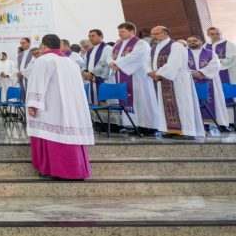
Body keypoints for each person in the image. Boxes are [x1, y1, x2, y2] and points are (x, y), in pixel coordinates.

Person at [25, 34, 94, 180]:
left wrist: (33, 104)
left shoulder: (43, 60)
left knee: (51, 134)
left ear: (43, 46)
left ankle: (56, 170)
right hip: (71, 107)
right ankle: (75, 171)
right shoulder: (71, 62)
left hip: (51, 106)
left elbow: (37, 82)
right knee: (69, 135)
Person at [148, 25, 202, 138]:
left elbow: (174, 63)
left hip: (178, 80)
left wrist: (158, 73)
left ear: (165, 33)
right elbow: (147, 62)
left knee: (182, 105)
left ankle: (187, 131)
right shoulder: (154, 48)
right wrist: (150, 72)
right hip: (163, 80)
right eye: (152, 34)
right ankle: (171, 130)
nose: (153, 36)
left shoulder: (176, 46)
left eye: (155, 34)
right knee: (165, 106)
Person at [108, 22, 162, 136]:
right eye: (119, 32)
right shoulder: (119, 44)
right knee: (130, 102)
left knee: (142, 100)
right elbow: (111, 56)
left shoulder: (141, 43)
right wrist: (112, 63)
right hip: (123, 75)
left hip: (138, 77)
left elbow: (136, 56)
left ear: (132, 31)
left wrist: (118, 64)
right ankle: (134, 125)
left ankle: (149, 126)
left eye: (122, 31)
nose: (120, 34)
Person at [188, 34, 232, 133]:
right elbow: (181, 66)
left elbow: (216, 65)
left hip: (210, 80)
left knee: (217, 102)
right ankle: (200, 124)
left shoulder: (211, 53)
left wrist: (201, 73)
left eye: (194, 40)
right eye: (189, 41)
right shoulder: (184, 54)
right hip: (190, 81)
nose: (192, 42)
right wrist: (192, 73)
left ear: (200, 42)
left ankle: (222, 124)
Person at [82, 29, 111, 105]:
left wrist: (92, 73)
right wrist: (84, 72)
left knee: (104, 104)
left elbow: (104, 63)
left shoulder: (107, 48)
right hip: (90, 80)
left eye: (93, 36)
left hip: (101, 80)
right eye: (89, 36)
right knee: (92, 102)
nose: (90, 38)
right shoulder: (90, 50)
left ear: (101, 36)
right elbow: (84, 62)